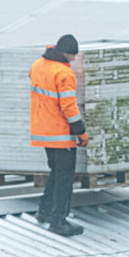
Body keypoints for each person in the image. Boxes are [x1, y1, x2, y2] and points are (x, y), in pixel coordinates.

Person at [29, 34, 88, 237]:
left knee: (55, 171)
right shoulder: (63, 73)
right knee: (64, 177)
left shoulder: (37, 65)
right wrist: (80, 131)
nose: (73, 60)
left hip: (43, 131)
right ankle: (59, 220)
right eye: (72, 56)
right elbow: (68, 106)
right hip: (60, 133)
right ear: (65, 53)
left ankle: (44, 212)